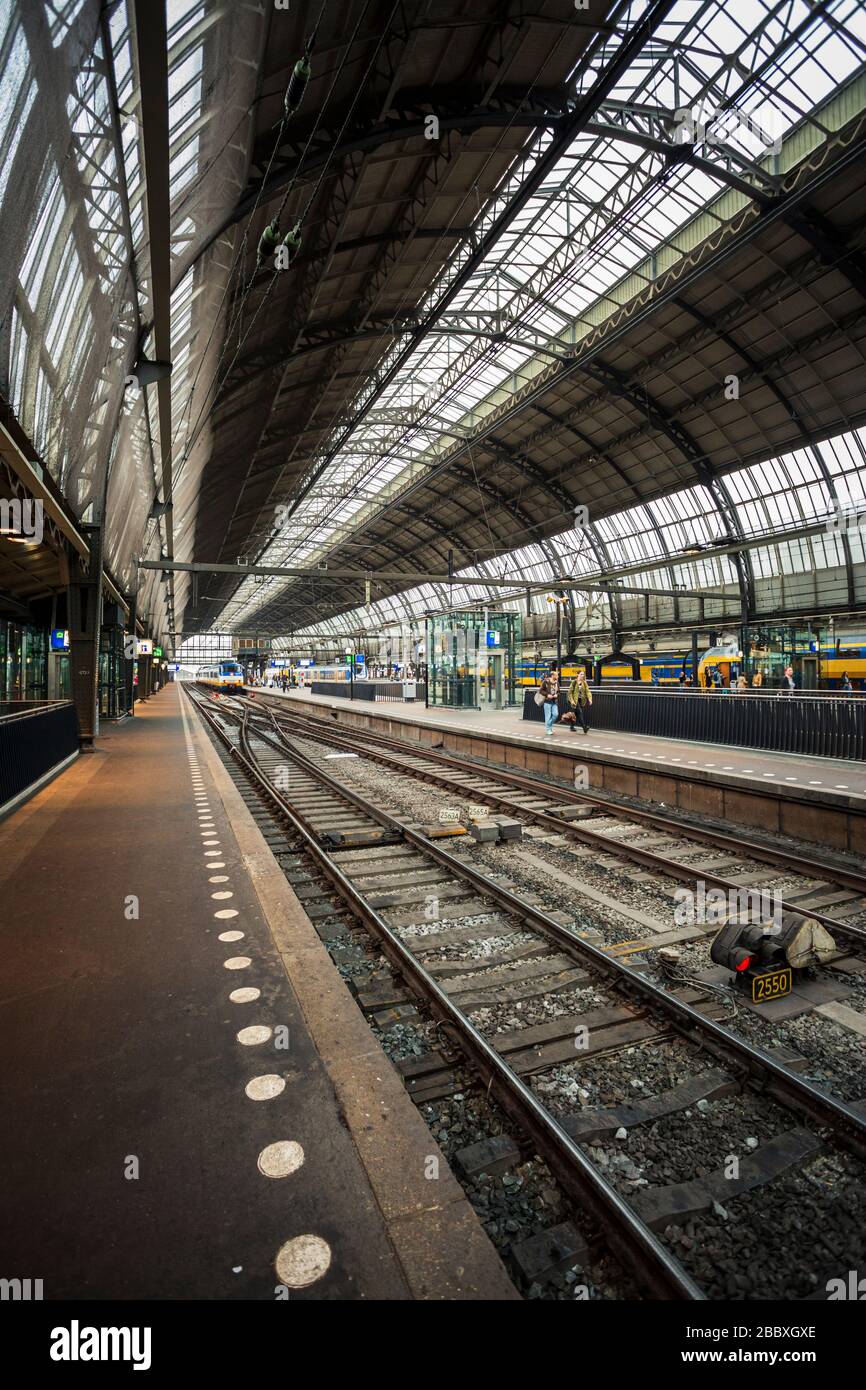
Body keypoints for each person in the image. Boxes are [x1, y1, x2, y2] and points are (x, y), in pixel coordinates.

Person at [567, 669, 593, 734]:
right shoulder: (574, 682)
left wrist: (590, 699)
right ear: (577, 675)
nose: (582, 675)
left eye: (583, 674)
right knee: (580, 713)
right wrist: (572, 700)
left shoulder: (584, 683)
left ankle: (572, 726)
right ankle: (584, 727)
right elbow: (569, 692)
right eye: (581, 674)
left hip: (582, 701)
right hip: (575, 701)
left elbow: (588, 691)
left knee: (576, 714)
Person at [538, 664, 560, 737]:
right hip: (547, 702)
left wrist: (557, 695)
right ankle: (548, 729)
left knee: (555, 714)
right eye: (556, 675)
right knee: (548, 716)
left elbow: (559, 692)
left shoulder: (557, 683)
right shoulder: (546, 682)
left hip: (554, 701)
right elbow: (541, 691)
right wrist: (547, 695)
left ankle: (549, 725)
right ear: (552, 675)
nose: (557, 677)